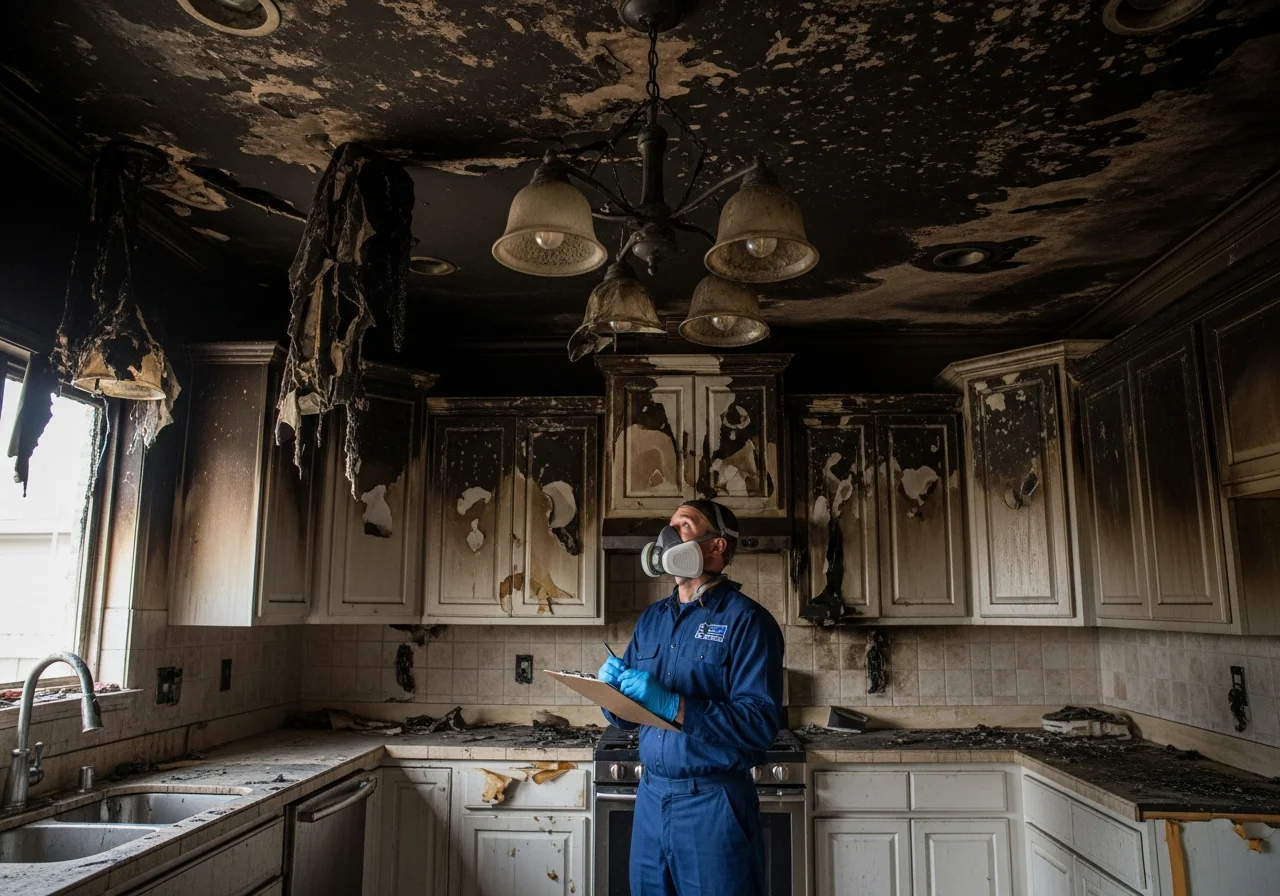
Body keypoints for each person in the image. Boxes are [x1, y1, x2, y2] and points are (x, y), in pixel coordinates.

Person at [598, 499, 785, 896]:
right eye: (669, 525)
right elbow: (629, 716)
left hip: (713, 803)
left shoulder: (748, 622)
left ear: (717, 545)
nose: (667, 537)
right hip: (651, 797)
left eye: (682, 526)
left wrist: (674, 706)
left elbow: (760, 724)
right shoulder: (652, 618)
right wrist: (611, 697)